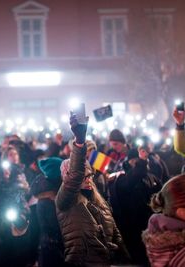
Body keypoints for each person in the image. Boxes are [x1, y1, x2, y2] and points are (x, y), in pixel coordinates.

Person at [55, 112, 129, 266]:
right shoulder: (65, 199)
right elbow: (75, 175)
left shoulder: (98, 199)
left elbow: (115, 232)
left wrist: (124, 257)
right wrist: (80, 141)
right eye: (83, 177)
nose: (88, 179)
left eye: (89, 176)